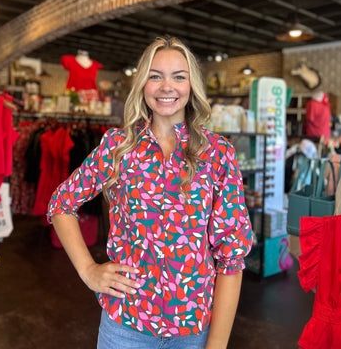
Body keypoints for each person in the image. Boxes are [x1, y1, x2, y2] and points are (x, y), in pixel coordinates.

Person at [48, 35, 253, 349]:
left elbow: (231, 258)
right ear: (142, 84)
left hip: (193, 331)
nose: (166, 86)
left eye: (178, 77)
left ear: (191, 85)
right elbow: (62, 203)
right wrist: (89, 270)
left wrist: (217, 344)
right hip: (125, 327)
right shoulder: (119, 146)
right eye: (155, 76)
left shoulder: (217, 153)